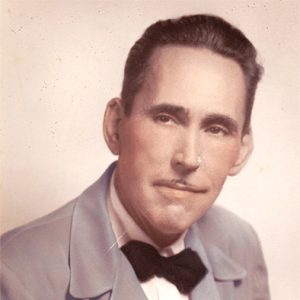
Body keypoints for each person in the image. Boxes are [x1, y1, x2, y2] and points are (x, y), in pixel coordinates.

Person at [0, 14, 270, 300]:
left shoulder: (241, 244)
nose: (189, 158)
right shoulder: (14, 273)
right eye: (166, 119)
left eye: (216, 129)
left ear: (242, 150)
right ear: (116, 126)